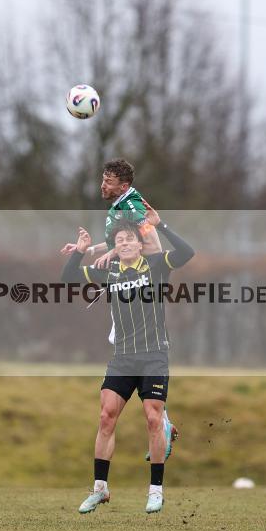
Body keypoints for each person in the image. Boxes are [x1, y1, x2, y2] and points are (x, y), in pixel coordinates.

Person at [61, 205, 194, 514]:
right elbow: (68, 278)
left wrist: (162, 226)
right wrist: (79, 251)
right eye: (118, 240)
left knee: (152, 418)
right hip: (122, 357)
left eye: (129, 239)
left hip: (154, 356)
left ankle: (156, 491)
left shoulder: (157, 265)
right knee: (106, 416)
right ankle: (100, 489)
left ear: (139, 244)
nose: (123, 243)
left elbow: (187, 252)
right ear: (115, 246)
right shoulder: (108, 270)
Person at [60, 158, 177, 462]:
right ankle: (161, 416)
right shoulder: (122, 204)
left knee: (136, 345)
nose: (103, 184)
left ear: (123, 186)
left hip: (142, 277)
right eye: (103, 178)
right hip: (129, 276)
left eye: (109, 181)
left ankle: (161, 420)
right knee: (122, 341)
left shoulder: (131, 204)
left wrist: (117, 251)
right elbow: (123, 238)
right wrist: (91, 249)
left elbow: (148, 235)